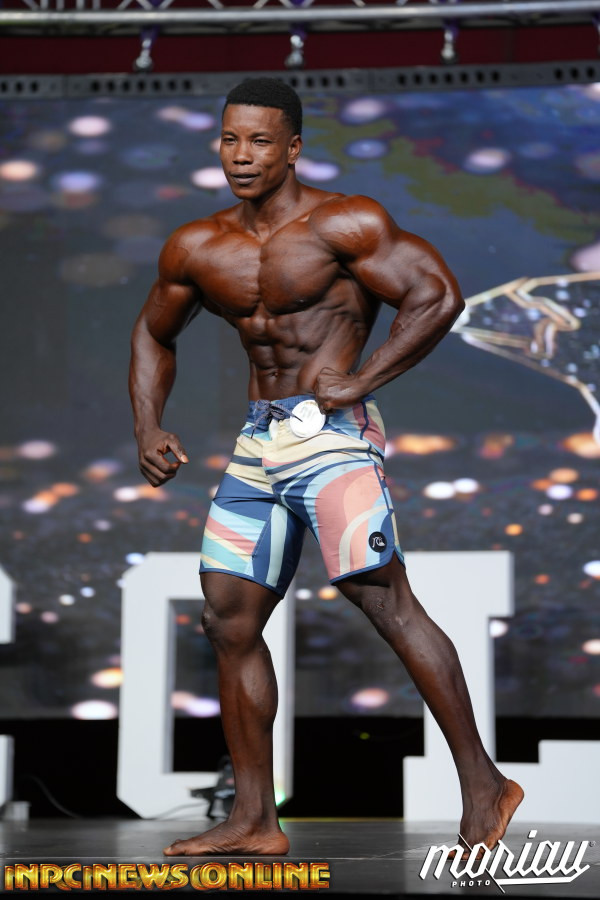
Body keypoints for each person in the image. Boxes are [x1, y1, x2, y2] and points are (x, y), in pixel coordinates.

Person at [129, 77, 523, 857]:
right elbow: (153, 331)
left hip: (333, 435)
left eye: (259, 141)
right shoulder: (197, 245)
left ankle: (484, 784)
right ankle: (254, 819)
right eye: (230, 139)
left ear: (293, 148)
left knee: (383, 600)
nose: (241, 155)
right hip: (259, 442)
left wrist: (363, 379)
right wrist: (147, 423)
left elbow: (437, 296)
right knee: (227, 618)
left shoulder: (345, 222)